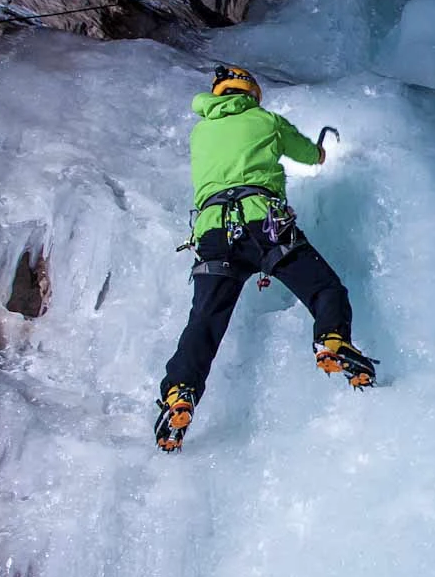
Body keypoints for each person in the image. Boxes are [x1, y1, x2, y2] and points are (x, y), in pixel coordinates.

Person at [156, 65, 376, 453]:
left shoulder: (200, 131)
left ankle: (180, 392)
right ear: (251, 94)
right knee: (324, 287)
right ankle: (332, 339)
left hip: (213, 233)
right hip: (264, 226)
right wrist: (320, 152)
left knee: (204, 322)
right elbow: (309, 155)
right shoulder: (266, 120)